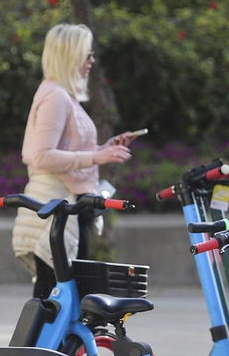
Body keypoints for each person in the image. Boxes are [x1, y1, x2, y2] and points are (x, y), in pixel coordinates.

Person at [12, 23, 137, 296]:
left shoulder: (61, 95)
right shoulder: (55, 96)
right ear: (70, 55)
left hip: (62, 210)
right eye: (86, 54)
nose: (92, 60)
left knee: (59, 303)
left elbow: (63, 150)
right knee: (55, 302)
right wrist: (95, 156)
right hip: (55, 210)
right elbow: (40, 155)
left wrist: (103, 149)